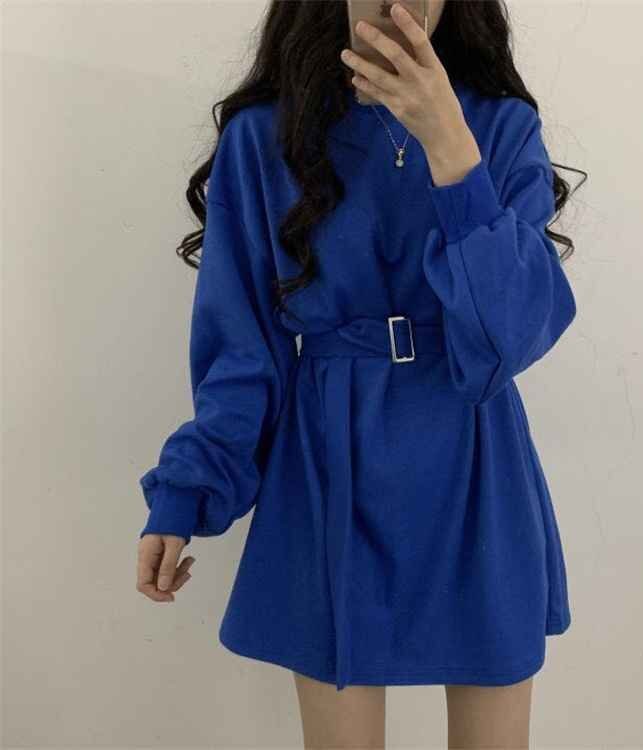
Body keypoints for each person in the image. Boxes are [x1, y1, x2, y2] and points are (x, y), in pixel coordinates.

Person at [136, 0, 585, 746]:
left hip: (476, 468)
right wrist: (187, 490)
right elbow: (242, 352)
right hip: (327, 465)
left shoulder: (499, 127)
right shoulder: (265, 135)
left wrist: (450, 145)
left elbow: (512, 333)